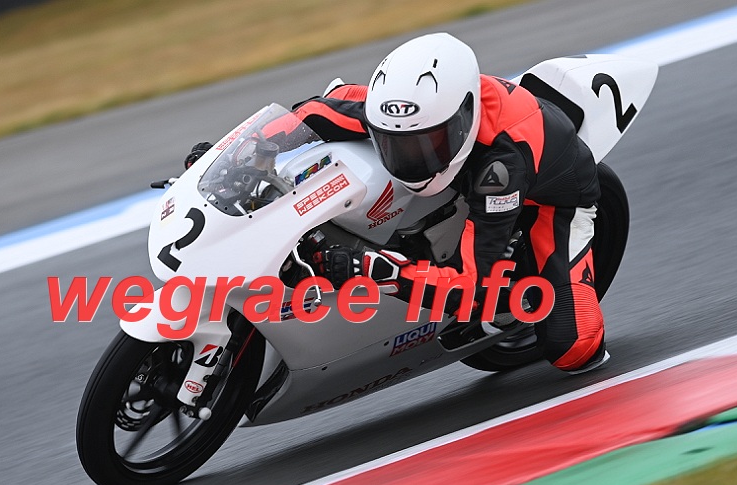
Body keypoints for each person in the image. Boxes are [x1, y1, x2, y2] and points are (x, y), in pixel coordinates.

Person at [191, 33, 609, 374]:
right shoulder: (399, 111)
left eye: (428, 144)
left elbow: (470, 285)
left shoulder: (501, 169)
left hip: (551, 198)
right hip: (463, 160)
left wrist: (375, 270)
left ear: (462, 121)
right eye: (395, 142)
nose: (410, 159)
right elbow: (311, 114)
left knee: (574, 347)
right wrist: (234, 157)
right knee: (332, 105)